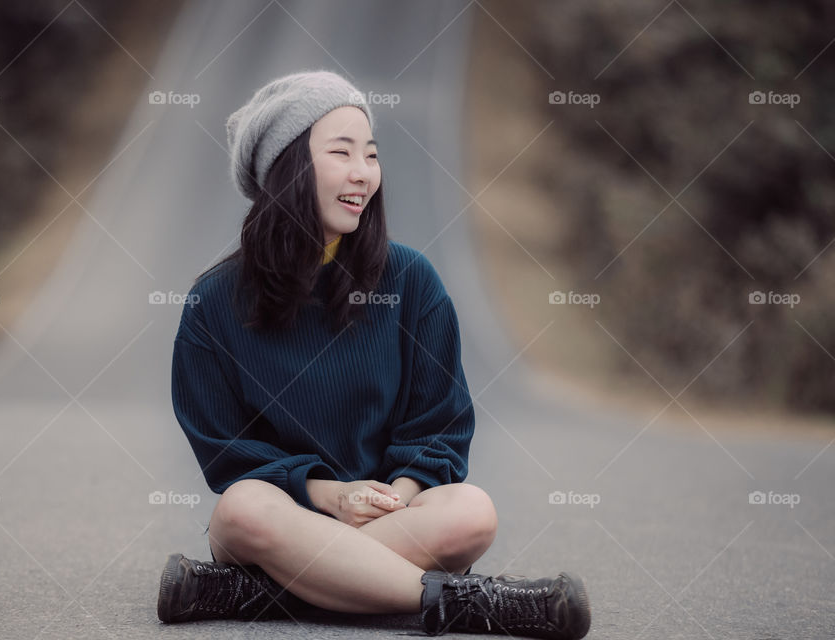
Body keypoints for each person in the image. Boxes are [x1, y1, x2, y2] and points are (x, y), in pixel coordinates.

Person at [157, 70, 591, 638]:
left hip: (392, 514)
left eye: (371, 154)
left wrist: (394, 497)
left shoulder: (411, 280)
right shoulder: (213, 302)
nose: (363, 173)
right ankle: (471, 604)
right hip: (281, 518)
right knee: (241, 510)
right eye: (341, 152)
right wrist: (330, 496)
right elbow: (226, 453)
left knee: (471, 511)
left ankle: (257, 592)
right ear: (287, 169)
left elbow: (441, 426)